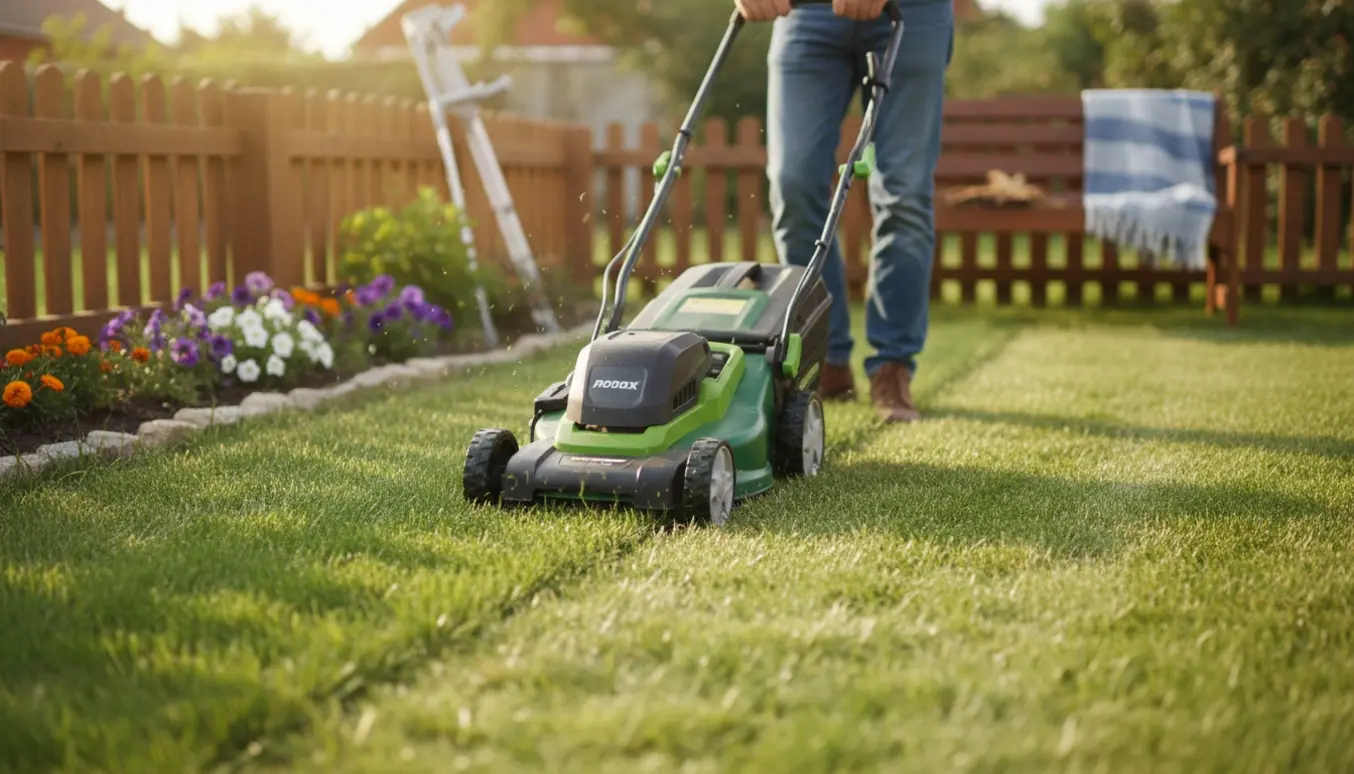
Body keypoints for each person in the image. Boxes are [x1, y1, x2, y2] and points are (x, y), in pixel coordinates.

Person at [735, 0, 954, 422]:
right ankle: (825, 357)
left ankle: (893, 366)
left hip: (915, 12)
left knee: (903, 192)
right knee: (792, 182)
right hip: (806, 13)